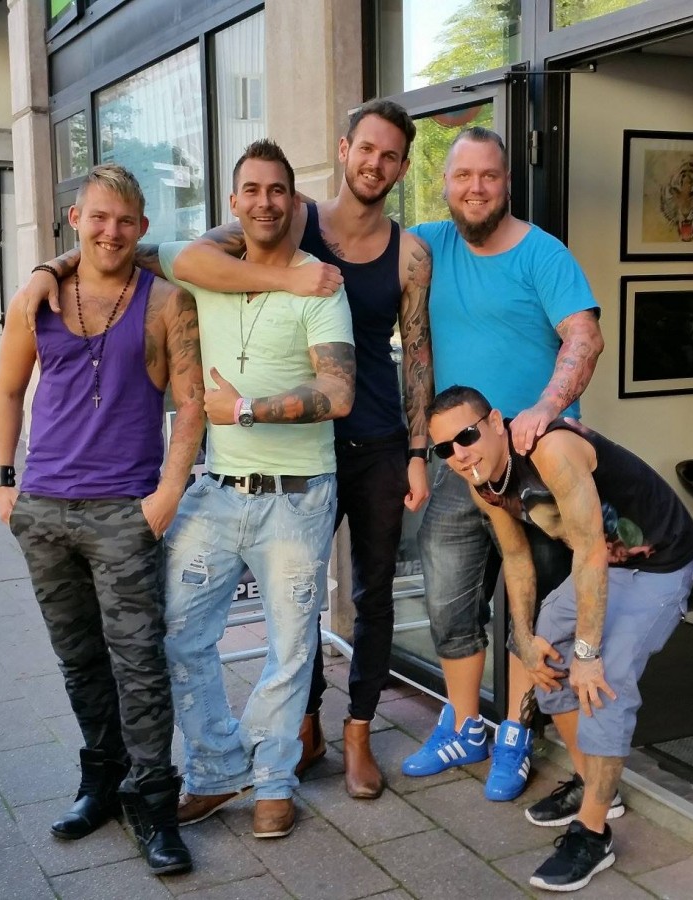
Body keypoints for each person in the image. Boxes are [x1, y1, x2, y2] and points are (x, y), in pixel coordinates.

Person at [169, 99, 433, 800]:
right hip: (298, 448)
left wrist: (417, 451)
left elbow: (417, 356)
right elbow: (194, 258)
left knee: (374, 593)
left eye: (390, 155)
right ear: (344, 150)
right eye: (366, 148)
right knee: (300, 601)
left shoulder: (410, 254)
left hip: (376, 442)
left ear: (402, 168)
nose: (375, 163)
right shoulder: (295, 215)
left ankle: (358, 732)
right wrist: (288, 277)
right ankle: (305, 722)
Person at [0, 164, 201, 875]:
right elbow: (7, 391)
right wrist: (3, 486)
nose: (112, 231)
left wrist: (167, 494)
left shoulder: (167, 301)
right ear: (75, 219)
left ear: (142, 228)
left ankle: (155, 805)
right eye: (99, 217)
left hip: (124, 511)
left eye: (125, 220)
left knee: (139, 664)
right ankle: (101, 781)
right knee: (79, 660)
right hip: (44, 509)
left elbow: (192, 404)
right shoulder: (39, 297)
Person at [425, 385, 693, 892]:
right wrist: (526, 637)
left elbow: (591, 550)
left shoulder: (549, 450)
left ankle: (593, 835)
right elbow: (516, 559)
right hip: (602, 564)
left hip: (660, 562)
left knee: (606, 676)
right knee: (544, 656)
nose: (459, 454)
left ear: (496, 422)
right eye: (444, 448)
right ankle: (592, 784)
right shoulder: (481, 482)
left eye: (466, 436)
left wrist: (588, 654)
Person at [399, 127, 604, 806]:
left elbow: (584, 335)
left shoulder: (543, 254)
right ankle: (464, 726)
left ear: (507, 182)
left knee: (533, 606)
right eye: (463, 176)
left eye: (488, 175)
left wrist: (545, 406)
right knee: (449, 602)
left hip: (533, 470)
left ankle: (515, 730)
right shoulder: (428, 246)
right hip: (459, 465)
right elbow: (345, 238)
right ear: (445, 183)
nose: (475, 188)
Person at [159, 138, 355, 840]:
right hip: (216, 492)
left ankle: (273, 779)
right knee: (178, 634)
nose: (265, 202)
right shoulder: (209, 268)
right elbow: (146, 252)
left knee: (291, 648)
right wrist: (45, 271)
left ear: (295, 201)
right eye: (252, 189)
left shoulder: (322, 284)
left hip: (298, 498)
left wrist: (243, 409)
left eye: (278, 190)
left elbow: (338, 392)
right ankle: (217, 769)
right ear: (233, 202)